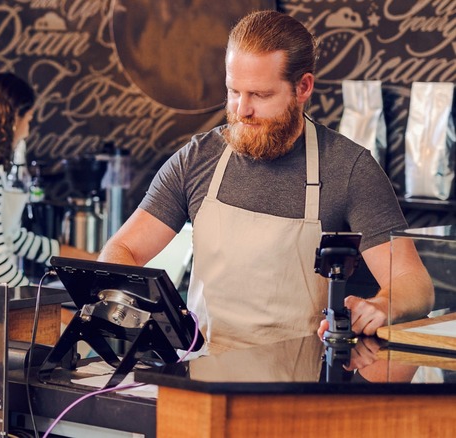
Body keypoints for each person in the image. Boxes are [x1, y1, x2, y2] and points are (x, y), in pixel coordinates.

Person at [99, 10, 433, 352]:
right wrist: (151, 312)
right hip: (201, 372)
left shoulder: (349, 168)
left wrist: (381, 306)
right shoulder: (197, 158)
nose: (242, 109)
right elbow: (122, 249)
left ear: (303, 87)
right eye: (233, 91)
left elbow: (413, 283)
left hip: (295, 384)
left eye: (260, 95)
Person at [0, 72, 95, 286]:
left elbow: (13, 238)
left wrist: (90, 261)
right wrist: (49, 309)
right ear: (12, 121)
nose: (27, 131)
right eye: (28, 120)